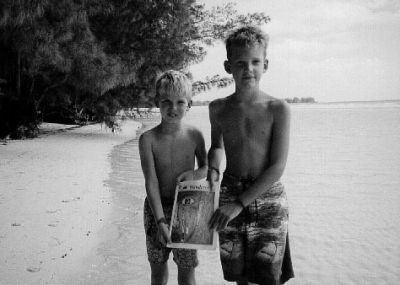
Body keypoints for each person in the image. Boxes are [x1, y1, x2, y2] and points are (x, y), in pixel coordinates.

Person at [207, 26, 295, 285]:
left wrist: (239, 204)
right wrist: (213, 170)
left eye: (255, 62)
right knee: (239, 274)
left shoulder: (278, 108)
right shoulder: (218, 108)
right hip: (229, 191)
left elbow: (277, 167)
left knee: (268, 276)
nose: (249, 69)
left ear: (265, 64)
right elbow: (217, 147)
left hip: (267, 197)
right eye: (241, 63)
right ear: (228, 66)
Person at [139, 70, 207, 285]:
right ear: (157, 102)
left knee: (187, 273)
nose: (173, 108)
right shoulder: (147, 139)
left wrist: (196, 173)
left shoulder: (195, 135)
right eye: (166, 101)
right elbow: (151, 181)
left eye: (180, 102)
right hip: (155, 209)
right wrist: (160, 221)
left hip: (187, 210)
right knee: (158, 272)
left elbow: (208, 169)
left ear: (189, 104)